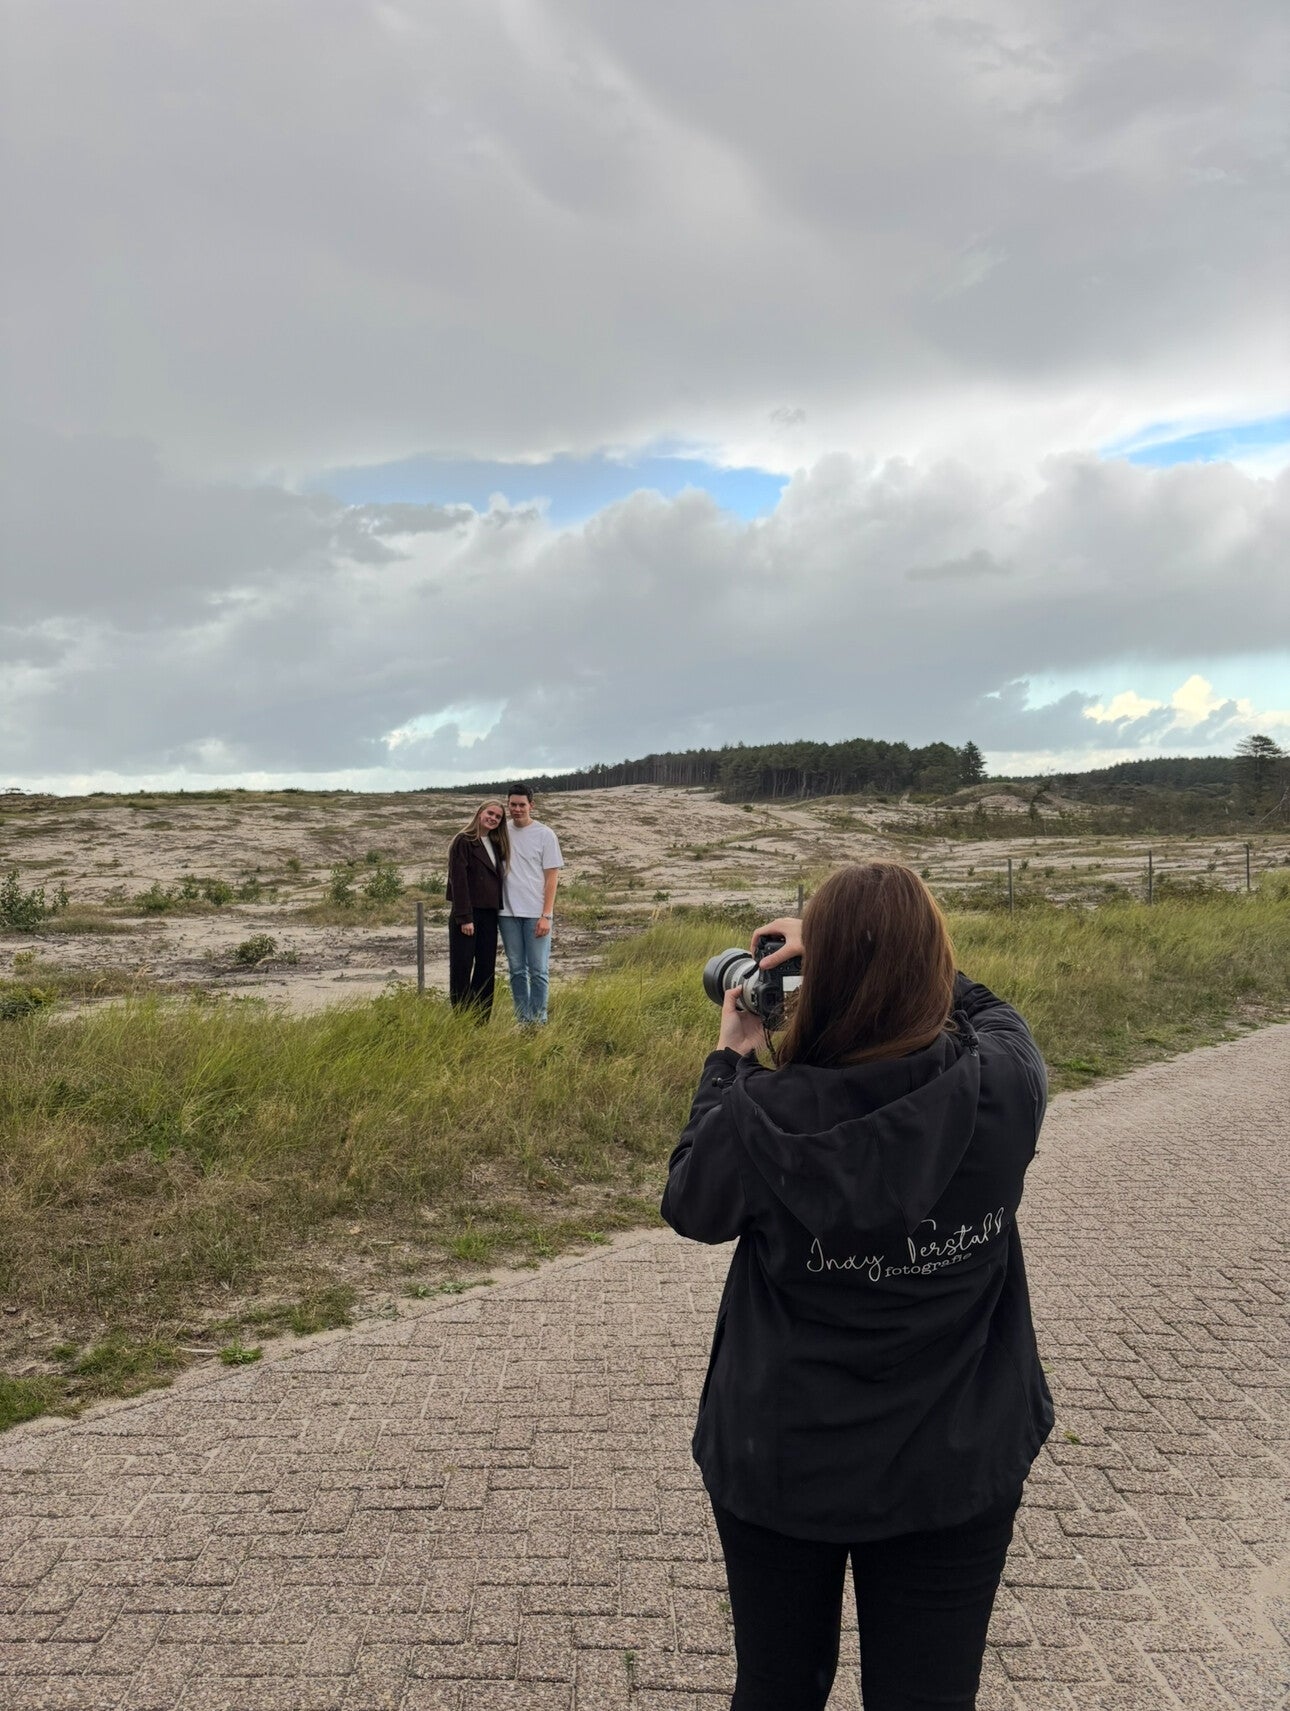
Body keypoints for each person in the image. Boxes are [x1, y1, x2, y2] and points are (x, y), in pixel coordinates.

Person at [661, 861, 1052, 1711]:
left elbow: (691, 1201)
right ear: (932, 966)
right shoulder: (1005, 1083)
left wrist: (731, 1053)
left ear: (824, 979)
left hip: (783, 1457)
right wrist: (885, 951)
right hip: (955, 1458)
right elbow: (992, 1010)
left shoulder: (760, 1116)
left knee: (776, 1686)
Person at [497, 782, 564, 1026]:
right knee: (516, 969)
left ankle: (539, 1019)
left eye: (521, 805)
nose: (517, 809)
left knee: (538, 970)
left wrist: (546, 915)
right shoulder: (500, 832)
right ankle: (522, 1019)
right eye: (513, 804)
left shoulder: (545, 834)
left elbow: (552, 877)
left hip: (536, 913)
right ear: (508, 804)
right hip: (507, 913)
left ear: (531, 805)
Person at [445, 801, 509, 1019]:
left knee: (486, 968)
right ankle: (462, 1018)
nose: (493, 818)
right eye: (490, 813)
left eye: (498, 817)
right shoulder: (463, 841)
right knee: (462, 968)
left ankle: (481, 1019)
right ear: (480, 813)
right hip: (467, 914)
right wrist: (464, 917)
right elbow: (458, 880)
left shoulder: (495, 843)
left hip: (489, 914)